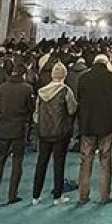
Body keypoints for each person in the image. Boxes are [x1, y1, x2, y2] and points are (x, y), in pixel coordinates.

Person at [76, 54, 112, 204]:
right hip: (106, 124)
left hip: (87, 124)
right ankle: (104, 196)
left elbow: (78, 98)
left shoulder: (83, 77)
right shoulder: (111, 77)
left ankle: (83, 195)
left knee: (86, 161)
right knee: (106, 161)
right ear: (106, 63)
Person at [0, 59, 34, 204]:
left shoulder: (1, 88)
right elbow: (31, 108)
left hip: (4, 126)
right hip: (19, 127)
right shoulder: (27, 89)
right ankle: (12, 194)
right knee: (17, 161)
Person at [33, 61, 76, 205]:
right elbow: (72, 110)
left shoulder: (41, 92)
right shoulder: (65, 91)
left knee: (41, 163)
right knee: (59, 164)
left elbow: (36, 114)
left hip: (44, 132)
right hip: (60, 132)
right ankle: (57, 196)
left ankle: (35, 196)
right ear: (64, 75)